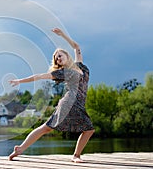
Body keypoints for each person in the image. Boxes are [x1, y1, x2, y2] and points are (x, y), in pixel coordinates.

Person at [8, 28, 95, 163]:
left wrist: (63, 35)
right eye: (56, 58)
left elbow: (76, 46)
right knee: (47, 128)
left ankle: (76, 155)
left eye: (59, 55)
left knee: (88, 130)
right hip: (68, 103)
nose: (58, 58)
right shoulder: (62, 72)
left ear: (66, 55)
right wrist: (20, 81)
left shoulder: (80, 66)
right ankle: (20, 149)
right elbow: (39, 76)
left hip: (79, 104)